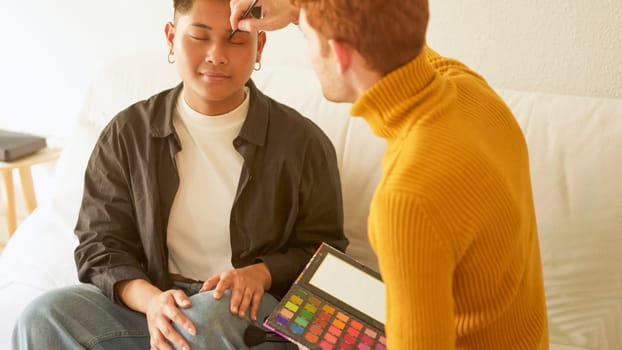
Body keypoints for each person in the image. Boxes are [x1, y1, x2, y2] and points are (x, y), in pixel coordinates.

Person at [12, 0, 347, 349]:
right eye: (199, 37)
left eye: (235, 40)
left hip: (239, 308)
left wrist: (260, 273)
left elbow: (325, 251)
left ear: (259, 45)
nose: (216, 55)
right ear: (172, 38)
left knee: (205, 319)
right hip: (151, 302)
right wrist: (151, 301)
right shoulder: (128, 134)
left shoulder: (302, 142)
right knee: (42, 318)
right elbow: (101, 244)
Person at [229, 0, 550, 349]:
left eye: (306, 36)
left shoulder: (407, 198)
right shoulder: (475, 94)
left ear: (339, 54)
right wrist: (302, 12)